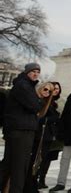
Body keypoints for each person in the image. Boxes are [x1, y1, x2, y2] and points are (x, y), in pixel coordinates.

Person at [0, 63, 42, 193]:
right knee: (19, 167)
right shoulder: (23, 86)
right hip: (21, 131)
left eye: (38, 72)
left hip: (18, 129)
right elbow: (35, 106)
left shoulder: (25, 85)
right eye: (33, 71)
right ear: (27, 72)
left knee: (9, 164)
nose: (35, 74)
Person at [37, 81, 62, 190]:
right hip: (44, 134)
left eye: (57, 89)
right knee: (41, 158)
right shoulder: (45, 101)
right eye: (54, 88)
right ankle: (36, 179)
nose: (56, 90)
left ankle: (42, 179)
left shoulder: (54, 103)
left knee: (48, 159)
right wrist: (55, 119)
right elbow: (40, 118)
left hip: (52, 135)